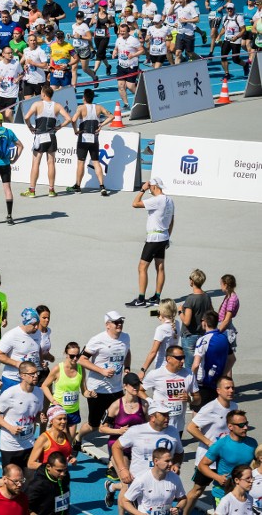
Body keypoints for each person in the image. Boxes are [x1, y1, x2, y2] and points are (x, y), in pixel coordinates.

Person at [110, 400, 184, 507]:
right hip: (139, 482)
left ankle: (112, 488)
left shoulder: (173, 431)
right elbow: (116, 447)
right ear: (152, 417)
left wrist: (177, 465)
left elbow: (179, 452)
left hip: (163, 481)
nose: (167, 418)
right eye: (163, 415)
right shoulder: (136, 431)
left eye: (168, 414)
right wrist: (123, 469)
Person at [184, 376, 237, 515]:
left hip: (225, 459)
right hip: (208, 459)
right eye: (227, 388)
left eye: (232, 387)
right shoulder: (210, 408)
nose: (231, 390)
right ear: (218, 390)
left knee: (227, 488)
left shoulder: (234, 407)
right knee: (197, 490)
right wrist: (210, 444)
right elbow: (191, 427)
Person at [78, 311, 131, 446]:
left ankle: (115, 451)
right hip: (98, 390)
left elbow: (127, 351)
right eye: (116, 322)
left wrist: (127, 368)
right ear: (108, 325)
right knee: (94, 425)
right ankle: (78, 438)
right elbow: (82, 360)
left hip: (117, 389)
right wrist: (101, 370)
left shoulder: (125, 338)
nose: (119, 324)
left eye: (121, 321)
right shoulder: (97, 340)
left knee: (119, 421)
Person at [126, 177, 175, 308]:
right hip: (164, 237)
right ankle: (156, 298)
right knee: (160, 267)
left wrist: (142, 189)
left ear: (154, 186)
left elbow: (135, 203)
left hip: (153, 239)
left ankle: (141, 299)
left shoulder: (157, 200)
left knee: (142, 267)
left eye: (150, 187)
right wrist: (168, 237)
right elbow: (172, 221)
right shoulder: (170, 201)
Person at [0, 361, 45, 471]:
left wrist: (40, 418)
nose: (35, 376)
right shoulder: (10, 393)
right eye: (32, 374)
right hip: (10, 445)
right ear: (22, 376)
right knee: (11, 482)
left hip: (29, 443)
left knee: (29, 480)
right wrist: (10, 428)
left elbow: (35, 415)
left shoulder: (39, 393)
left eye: (37, 373)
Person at [21, 86, 73, 199]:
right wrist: (59, 127)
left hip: (40, 135)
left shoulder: (37, 104)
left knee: (36, 163)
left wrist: (30, 127)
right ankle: (51, 189)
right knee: (51, 162)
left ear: (44, 94)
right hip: (51, 135)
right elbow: (69, 119)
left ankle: (32, 190)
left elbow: (26, 117)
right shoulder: (57, 105)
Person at [198, 410, 257, 505]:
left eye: (246, 423)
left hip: (243, 494)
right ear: (230, 426)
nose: (245, 427)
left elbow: (257, 464)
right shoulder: (220, 444)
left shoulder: (252, 443)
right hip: (222, 495)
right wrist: (217, 477)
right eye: (241, 425)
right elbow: (202, 465)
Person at [140, 343, 199, 433]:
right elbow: (140, 390)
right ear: (169, 359)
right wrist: (151, 401)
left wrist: (190, 399)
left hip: (178, 425)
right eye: (179, 358)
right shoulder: (155, 374)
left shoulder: (189, 374)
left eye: (183, 357)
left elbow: (198, 399)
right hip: (159, 424)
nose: (182, 361)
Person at [68, 89, 112, 195]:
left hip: (83, 137)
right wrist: (101, 124)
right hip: (94, 137)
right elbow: (112, 116)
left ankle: (77, 186)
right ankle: (102, 186)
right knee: (96, 161)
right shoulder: (98, 107)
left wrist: (75, 130)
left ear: (84, 98)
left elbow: (73, 120)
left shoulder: (81, 108)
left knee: (81, 162)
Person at [41, 341, 87, 442]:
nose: (75, 358)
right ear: (66, 354)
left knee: (70, 441)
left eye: (77, 355)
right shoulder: (58, 369)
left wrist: (90, 394)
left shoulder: (80, 369)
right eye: (72, 356)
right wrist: (53, 401)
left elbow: (84, 391)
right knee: (60, 440)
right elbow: (44, 386)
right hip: (59, 411)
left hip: (73, 411)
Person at [120, 447, 187, 515]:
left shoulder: (175, 478)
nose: (170, 464)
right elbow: (125, 501)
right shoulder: (141, 480)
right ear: (156, 461)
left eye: (171, 460)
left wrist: (178, 508)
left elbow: (183, 499)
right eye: (167, 461)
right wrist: (139, 514)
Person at [192, 310, 231, 406]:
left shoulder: (202, 340)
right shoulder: (224, 338)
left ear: (204, 322)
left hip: (203, 383)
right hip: (217, 382)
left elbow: (196, 364)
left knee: (198, 413)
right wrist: (223, 374)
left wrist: (191, 381)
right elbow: (232, 359)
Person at [179, 269, 213, 366]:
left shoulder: (191, 299)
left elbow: (186, 321)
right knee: (201, 365)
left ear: (192, 281)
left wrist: (180, 311)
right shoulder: (207, 296)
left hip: (190, 335)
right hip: (203, 334)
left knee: (190, 367)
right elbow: (211, 313)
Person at [27, 405, 73, 470]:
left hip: (63, 475)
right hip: (46, 477)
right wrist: (51, 469)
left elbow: (65, 454)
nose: (63, 421)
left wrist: (71, 458)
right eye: (60, 419)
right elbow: (31, 464)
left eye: (65, 418)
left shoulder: (66, 435)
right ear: (51, 421)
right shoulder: (43, 439)